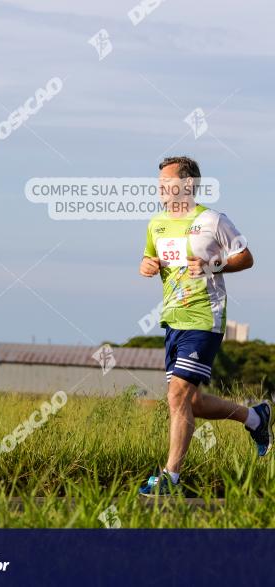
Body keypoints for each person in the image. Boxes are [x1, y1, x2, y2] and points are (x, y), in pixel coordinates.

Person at [137, 155, 266, 497]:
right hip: (173, 319)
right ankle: (255, 418)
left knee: (176, 394)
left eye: (167, 183)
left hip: (205, 318)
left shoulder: (212, 220)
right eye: (160, 184)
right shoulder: (157, 224)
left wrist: (212, 263)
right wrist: (146, 265)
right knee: (190, 402)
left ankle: (170, 478)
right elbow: (149, 258)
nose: (161, 190)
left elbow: (246, 257)